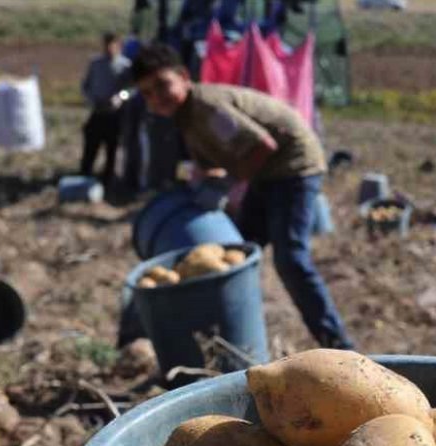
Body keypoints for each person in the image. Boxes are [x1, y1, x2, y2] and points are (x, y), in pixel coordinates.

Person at [130, 44, 354, 350]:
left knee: (291, 260)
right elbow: (214, 160)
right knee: (237, 250)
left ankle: (339, 345)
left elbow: (262, 146)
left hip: (293, 166)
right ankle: (227, 338)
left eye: (162, 85)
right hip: (266, 173)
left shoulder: (207, 106)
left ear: (183, 76)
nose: (156, 97)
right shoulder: (185, 118)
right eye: (147, 93)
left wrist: (230, 182)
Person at [80, 33, 133, 185]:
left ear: (119, 46)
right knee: (91, 144)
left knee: (112, 147)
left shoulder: (125, 66)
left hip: (114, 114)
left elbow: (130, 89)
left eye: (113, 45)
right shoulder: (95, 64)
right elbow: (85, 86)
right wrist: (91, 99)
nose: (109, 48)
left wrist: (120, 98)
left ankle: (108, 179)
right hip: (97, 111)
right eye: (106, 45)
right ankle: (85, 174)